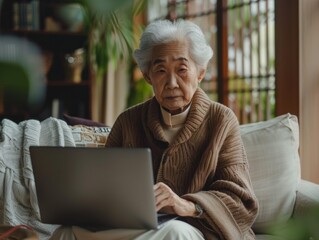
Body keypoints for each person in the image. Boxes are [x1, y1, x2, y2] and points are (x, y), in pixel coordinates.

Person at [51, 19, 258, 240]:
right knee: (67, 232)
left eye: (182, 69)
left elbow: (240, 202)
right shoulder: (128, 121)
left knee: (175, 232)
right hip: (138, 227)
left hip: (200, 229)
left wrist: (186, 205)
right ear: (148, 76)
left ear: (200, 73)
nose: (171, 82)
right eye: (160, 70)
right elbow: (106, 186)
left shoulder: (221, 120)